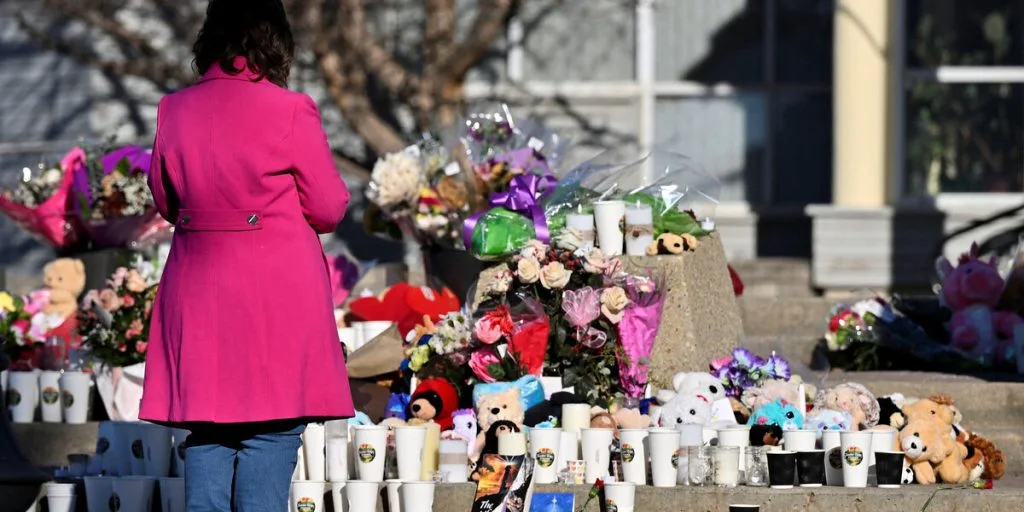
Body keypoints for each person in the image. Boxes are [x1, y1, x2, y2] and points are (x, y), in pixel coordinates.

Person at [139, 1, 354, 510]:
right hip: (274, 294)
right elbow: (327, 207)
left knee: (208, 433)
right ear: (276, 41)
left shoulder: (174, 108)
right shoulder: (291, 108)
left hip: (197, 286)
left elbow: (166, 200)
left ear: (209, 40)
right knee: (272, 431)